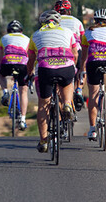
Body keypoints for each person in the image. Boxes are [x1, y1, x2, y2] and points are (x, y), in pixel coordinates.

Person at [27, 10, 78, 153]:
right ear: (58, 21)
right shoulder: (68, 32)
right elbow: (75, 54)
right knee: (67, 82)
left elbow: (30, 60)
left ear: (42, 22)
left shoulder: (35, 35)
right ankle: (67, 104)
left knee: (43, 104)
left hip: (45, 69)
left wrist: (29, 73)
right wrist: (73, 66)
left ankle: (43, 141)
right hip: (66, 66)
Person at [79, 8, 106, 141]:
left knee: (93, 95)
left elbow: (83, 56)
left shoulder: (88, 32)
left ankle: (92, 130)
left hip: (94, 61)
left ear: (95, 21)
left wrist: (82, 70)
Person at [0, 20, 30, 130]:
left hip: (7, 62)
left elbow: (0, 57)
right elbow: (30, 56)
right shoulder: (27, 39)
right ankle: (23, 119)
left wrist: (1, 68)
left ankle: (5, 92)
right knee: (23, 91)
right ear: (21, 30)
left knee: (0, 74)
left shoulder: (3, 38)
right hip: (22, 64)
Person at [54, 0, 85, 112]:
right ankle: (79, 90)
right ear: (69, 11)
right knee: (81, 71)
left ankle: (58, 98)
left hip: (60, 52)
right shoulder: (77, 22)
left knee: (60, 80)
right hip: (76, 50)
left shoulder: (54, 22)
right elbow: (83, 41)